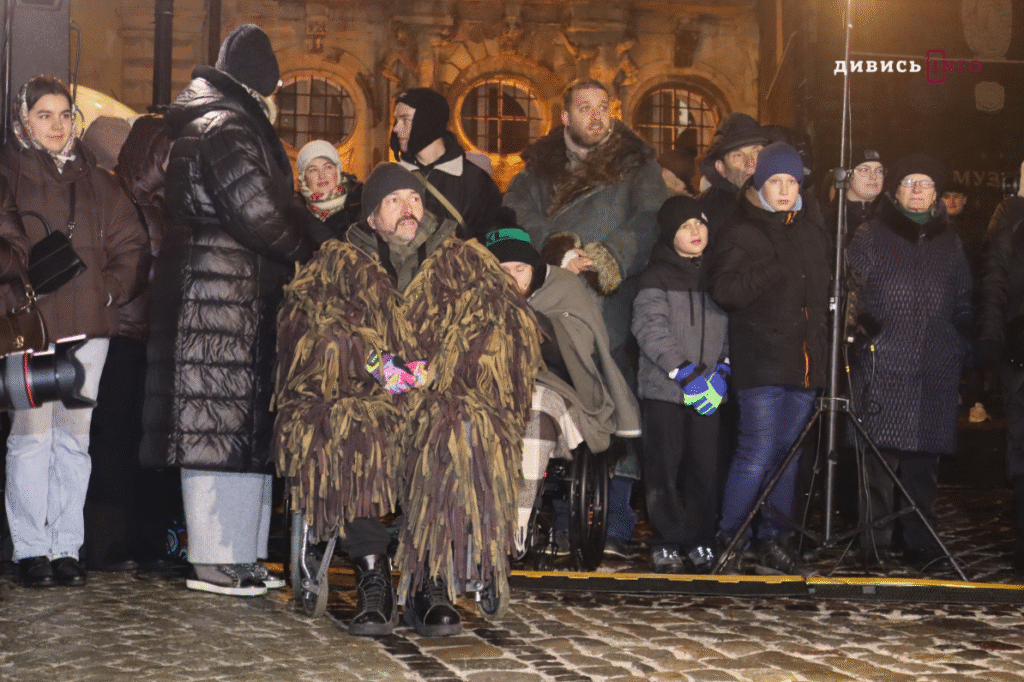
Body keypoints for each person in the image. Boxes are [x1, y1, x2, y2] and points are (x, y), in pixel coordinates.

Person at [274, 163, 540, 636]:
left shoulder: (466, 261)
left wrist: (445, 369)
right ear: (372, 217)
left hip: (442, 391)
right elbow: (310, 330)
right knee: (349, 426)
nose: (408, 208)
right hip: (363, 391)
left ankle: (429, 580)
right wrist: (374, 364)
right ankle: (372, 574)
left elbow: (505, 326)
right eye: (394, 200)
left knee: (457, 426)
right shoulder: (336, 264)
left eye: (414, 199)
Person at [140, 24, 313, 597]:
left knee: (236, 428)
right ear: (264, 84)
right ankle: (217, 559)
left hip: (230, 297)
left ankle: (240, 554)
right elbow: (258, 213)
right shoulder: (228, 126)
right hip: (218, 299)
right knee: (216, 428)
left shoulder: (221, 120)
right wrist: (314, 248)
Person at [504, 78, 664, 560]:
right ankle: (537, 519)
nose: (598, 116)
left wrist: (602, 257)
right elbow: (513, 215)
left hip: (611, 307)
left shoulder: (638, 167)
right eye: (586, 107)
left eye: (604, 107)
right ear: (565, 117)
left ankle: (611, 526)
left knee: (618, 411)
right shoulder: (534, 171)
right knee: (548, 406)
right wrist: (558, 251)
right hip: (550, 307)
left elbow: (649, 221)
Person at [1, 75, 148, 588]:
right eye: (45, 115)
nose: (57, 125)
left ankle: (67, 546)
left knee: (75, 440)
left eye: (65, 115)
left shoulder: (99, 181)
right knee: (31, 436)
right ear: (25, 120)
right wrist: (14, 288)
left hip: (89, 328)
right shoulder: (7, 173)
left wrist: (109, 291)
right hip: (29, 326)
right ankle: (30, 549)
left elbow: (133, 243)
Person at [482, 216, 640, 557]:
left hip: (557, 391)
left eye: (519, 269)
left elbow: (578, 351)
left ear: (534, 267)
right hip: (491, 391)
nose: (511, 278)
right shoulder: (475, 296)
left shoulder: (563, 289)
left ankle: (515, 530)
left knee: (534, 408)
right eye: (501, 270)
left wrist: (528, 320)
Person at [708, 142, 831, 574]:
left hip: (805, 362)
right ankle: (732, 533)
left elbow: (824, 293)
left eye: (791, 181)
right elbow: (725, 290)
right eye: (775, 181)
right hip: (760, 360)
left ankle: (775, 537)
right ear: (759, 185)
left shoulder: (813, 231)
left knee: (788, 455)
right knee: (756, 449)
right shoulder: (742, 232)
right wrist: (773, 263)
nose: (783, 189)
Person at [847, 154, 972, 570]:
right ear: (895, 191)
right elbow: (850, 295)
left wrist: (961, 341)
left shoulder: (950, 243)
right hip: (884, 365)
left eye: (926, 183)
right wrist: (865, 333)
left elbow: (964, 301)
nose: (918, 190)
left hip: (934, 366)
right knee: (879, 464)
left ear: (937, 194)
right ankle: (875, 545)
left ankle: (922, 543)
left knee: (924, 465)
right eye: (909, 182)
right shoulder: (869, 235)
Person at [84, 113, 180, 573]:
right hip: (118, 333)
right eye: (167, 152)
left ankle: (139, 542)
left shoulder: (162, 203)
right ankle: (104, 545)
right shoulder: (114, 194)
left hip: (150, 338)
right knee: (113, 441)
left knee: (141, 444)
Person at [633, 196, 729, 573]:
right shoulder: (654, 276)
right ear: (670, 233)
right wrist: (685, 373)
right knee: (664, 467)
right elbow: (649, 329)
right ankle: (666, 540)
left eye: (700, 224)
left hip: (708, 391)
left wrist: (722, 371)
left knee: (705, 467)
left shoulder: (717, 275)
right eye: (686, 226)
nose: (696, 232)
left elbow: (728, 330)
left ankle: (701, 539)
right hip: (665, 391)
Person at [975, 161, 1024, 570]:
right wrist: (991, 336)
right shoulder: (1010, 214)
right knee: (1021, 443)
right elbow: (995, 276)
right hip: (1021, 344)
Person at [390, 87, 502, 241]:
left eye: (405, 120)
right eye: (396, 120)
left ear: (428, 122)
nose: (396, 128)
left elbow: (495, 239)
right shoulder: (390, 178)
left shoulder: (476, 182)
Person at [696, 112, 769, 236]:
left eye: (756, 152)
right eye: (737, 156)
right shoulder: (703, 214)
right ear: (721, 168)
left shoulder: (783, 199)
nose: (750, 163)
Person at [295, 139, 362, 246]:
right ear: (304, 178)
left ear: (337, 171)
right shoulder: (293, 214)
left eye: (328, 167)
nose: (322, 175)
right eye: (313, 170)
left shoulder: (359, 204)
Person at [825, 150, 884, 236]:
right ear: (847, 175)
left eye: (879, 171)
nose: (873, 176)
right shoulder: (831, 220)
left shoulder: (890, 219)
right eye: (864, 170)